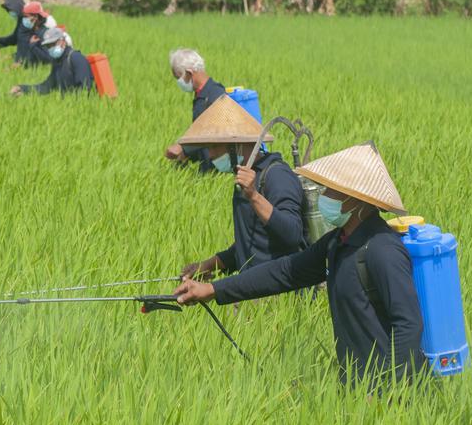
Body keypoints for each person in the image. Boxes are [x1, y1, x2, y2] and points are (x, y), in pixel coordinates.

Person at [175, 141, 426, 387]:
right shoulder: (337, 243)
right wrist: (213, 290)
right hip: (358, 389)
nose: (324, 197)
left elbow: (409, 325)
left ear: (356, 198)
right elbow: (285, 271)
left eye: (331, 190)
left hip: (391, 395)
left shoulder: (382, 249)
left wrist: (387, 391)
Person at [178, 95, 305, 281]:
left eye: (214, 147)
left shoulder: (277, 176)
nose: (210, 155)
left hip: (279, 295)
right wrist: (206, 266)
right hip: (250, 290)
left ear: (236, 146)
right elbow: (251, 243)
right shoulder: (245, 178)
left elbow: (293, 234)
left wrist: (254, 196)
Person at [165, 48, 227, 173]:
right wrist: (186, 154)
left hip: (219, 169)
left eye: (178, 77)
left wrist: (184, 148)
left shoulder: (216, 94)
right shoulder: (201, 94)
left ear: (189, 72)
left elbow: (217, 132)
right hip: (206, 166)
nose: (179, 82)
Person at [12, 28, 93, 96]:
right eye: (48, 46)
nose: (51, 48)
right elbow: (46, 87)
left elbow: (85, 90)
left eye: (53, 44)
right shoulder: (57, 62)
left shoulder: (76, 58)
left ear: (63, 41)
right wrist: (22, 89)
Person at [0, 0, 39, 67]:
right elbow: (15, 38)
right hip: (25, 58)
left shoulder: (33, 21)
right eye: (9, 10)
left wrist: (20, 62)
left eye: (12, 10)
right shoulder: (22, 19)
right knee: (1, 62)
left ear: (18, 6)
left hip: (34, 59)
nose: (11, 12)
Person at [21, 1, 55, 66]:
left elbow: (49, 59)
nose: (24, 19)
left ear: (35, 17)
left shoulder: (45, 34)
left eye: (26, 17)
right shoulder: (33, 31)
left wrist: (32, 45)